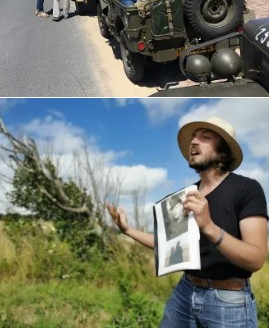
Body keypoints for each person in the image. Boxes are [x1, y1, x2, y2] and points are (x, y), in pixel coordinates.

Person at [107, 116, 268, 327]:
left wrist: (209, 227)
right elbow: (166, 243)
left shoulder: (247, 189)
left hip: (229, 301)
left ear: (223, 150)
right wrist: (127, 230)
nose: (194, 141)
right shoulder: (185, 196)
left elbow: (256, 258)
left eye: (205, 137)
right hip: (185, 291)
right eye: (193, 137)